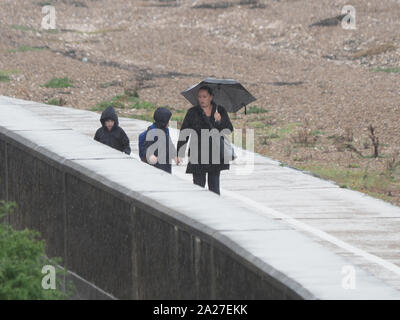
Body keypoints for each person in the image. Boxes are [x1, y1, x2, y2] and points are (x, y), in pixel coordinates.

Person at [177, 85, 234, 195]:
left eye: (204, 96)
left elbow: (229, 129)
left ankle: (215, 210)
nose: (202, 99)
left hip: (215, 153)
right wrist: (180, 152)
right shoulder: (192, 112)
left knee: (214, 188)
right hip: (197, 153)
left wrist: (220, 120)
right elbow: (185, 132)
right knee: (198, 187)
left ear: (211, 97)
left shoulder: (220, 110)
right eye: (199, 97)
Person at [140, 107, 179, 174]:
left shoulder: (166, 130)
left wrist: (174, 156)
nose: (169, 122)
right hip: (155, 167)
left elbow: (169, 144)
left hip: (166, 165)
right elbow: (145, 148)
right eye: (168, 120)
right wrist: (150, 155)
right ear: (163, 121)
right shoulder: (152, 131)